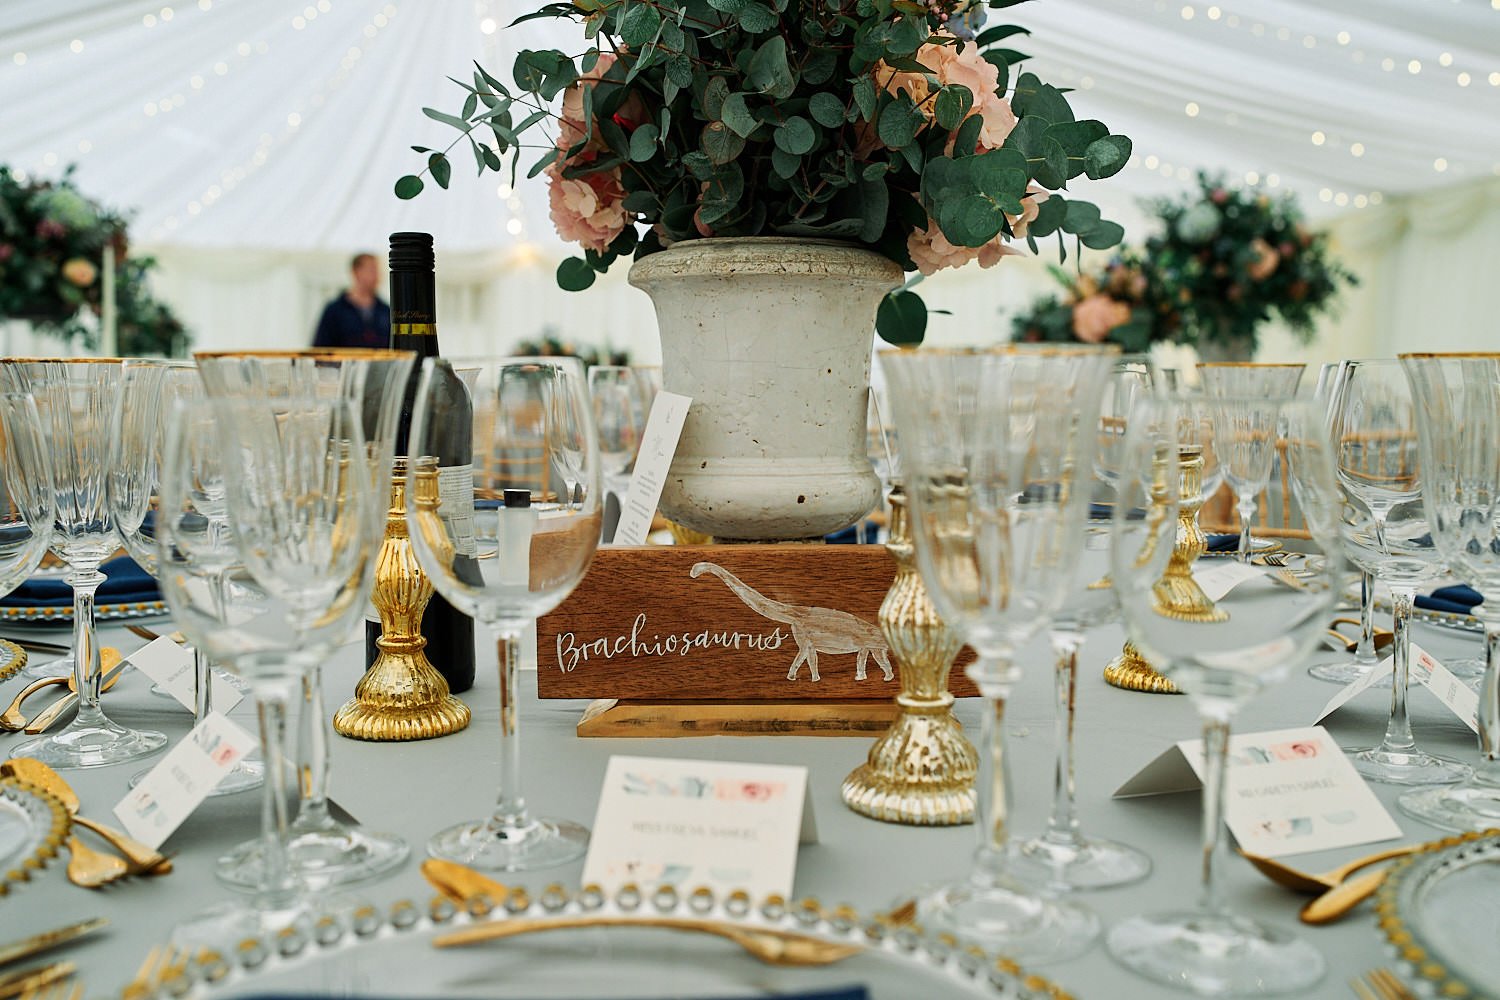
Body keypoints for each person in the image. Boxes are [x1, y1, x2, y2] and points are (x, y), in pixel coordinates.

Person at [312, 253, 390, 348]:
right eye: (371, 270)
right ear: (356, 272)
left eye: (378, 271)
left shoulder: (386, 311)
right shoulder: (335, 311)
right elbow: (321, 348)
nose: (377, 276)